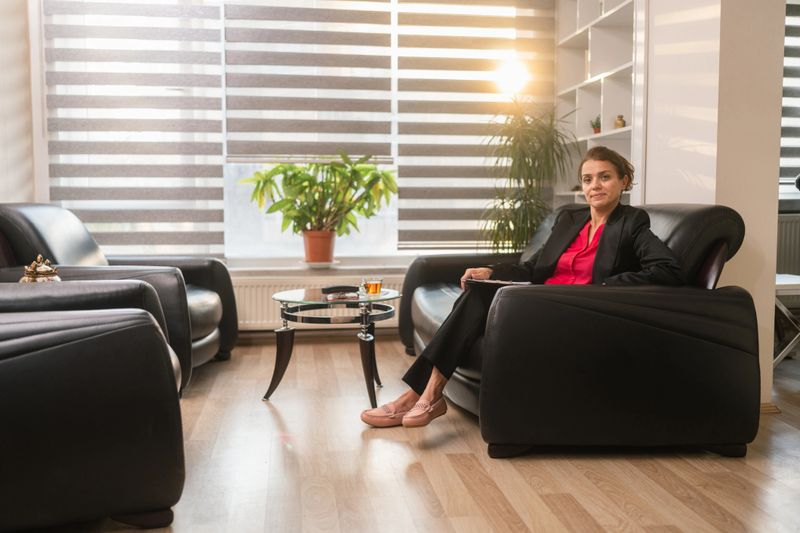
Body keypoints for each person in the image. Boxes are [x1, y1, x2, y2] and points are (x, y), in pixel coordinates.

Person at [361, 146, 684, 428]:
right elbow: (533, 268)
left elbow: (667, 269)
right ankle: (426, 395)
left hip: (574, 308)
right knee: (477, 291)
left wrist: (601, 285)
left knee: (477, 300)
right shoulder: (570, 220)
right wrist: (490, 271)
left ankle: (414, 397)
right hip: (536, 298)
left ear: (623, 181)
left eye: (605, 177)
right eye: (588, 179)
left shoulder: (632, 223)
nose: (595, 186)